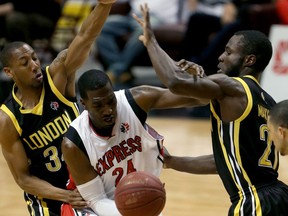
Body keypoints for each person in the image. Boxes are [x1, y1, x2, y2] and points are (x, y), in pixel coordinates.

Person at [134, 4, 288, 215]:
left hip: (254, 202)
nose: (220, 57)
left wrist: (151, 42)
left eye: (228, 52)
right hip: (280, 196)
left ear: (249, 60)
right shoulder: (268, 102)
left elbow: (173, 81)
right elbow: (224, 162)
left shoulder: (231, 86)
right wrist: (172, 162)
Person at [0, 1, 116, 215]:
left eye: (34, 57)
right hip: (50, 201)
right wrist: (66, 196)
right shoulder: (7, 119)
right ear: (9, 72)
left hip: (92, 184)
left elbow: (84, 37)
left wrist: (103, 5)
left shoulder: (56, 78)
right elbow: (22, 178)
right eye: (24, 63)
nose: (34, 65)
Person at [61, 69, 211, 215]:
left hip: (140, 197)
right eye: (98, 105)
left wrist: (196, 82)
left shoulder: (136, 100)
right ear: (83, 103)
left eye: (110, 101)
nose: (108, 110)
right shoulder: (74, 143)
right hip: (90, 207)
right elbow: (96, 199)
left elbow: (201, 98)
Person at [96, 0, 185, 88]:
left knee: (143, 29)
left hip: (157, 18)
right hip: (132, 16)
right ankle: (122, 72)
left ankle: (116, 71)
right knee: (102, 26)